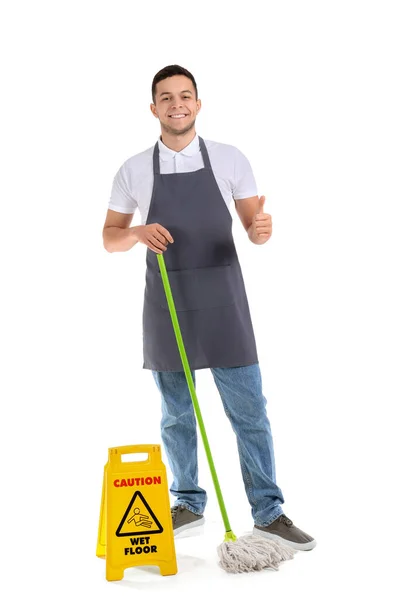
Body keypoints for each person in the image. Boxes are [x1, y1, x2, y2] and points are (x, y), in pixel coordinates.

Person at [102, 64, 316, 551]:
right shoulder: (133, 169)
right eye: (166, 97)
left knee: (250, 412)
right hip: (167, 305)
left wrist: (261, 230)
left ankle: (269, 512)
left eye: (186, 95)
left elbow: (253, 226)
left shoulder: (230, 159)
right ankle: (187, 503)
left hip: (223, 302)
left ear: (198, 104)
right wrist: (135, 232)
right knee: (177, 413)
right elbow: (110, 238)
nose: (177, 104)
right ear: (153, 108)